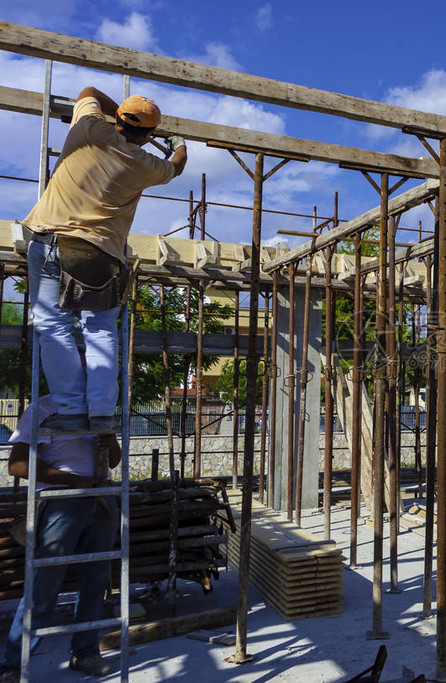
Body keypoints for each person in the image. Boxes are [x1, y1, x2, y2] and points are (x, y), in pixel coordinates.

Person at [22, 86, 188, 435]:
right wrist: (178, 142)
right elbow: (177, 166)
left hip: (53, 238)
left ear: (118, 120)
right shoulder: (147, 164)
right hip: (103, 254)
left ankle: (68, 408)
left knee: (53, 325)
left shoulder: (90, 129)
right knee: (99, 330)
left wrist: (116, 112)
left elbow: (88, 91)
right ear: (149, 134)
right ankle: (100, 413)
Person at [0, 395, 121, 681]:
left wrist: (111, 444)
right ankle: (13, 664)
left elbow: (113, 461)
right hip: (61, 501)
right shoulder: (42, 408)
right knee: (43, 585)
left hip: (101, 498)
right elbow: (17, 465)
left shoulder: (99, 408)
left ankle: (86, 652)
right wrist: (71, 480)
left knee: (95, 581)